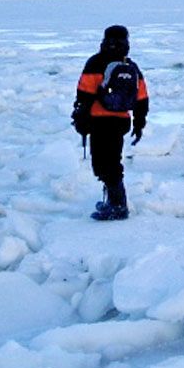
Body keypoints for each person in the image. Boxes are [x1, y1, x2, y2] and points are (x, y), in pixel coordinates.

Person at [71, 25, 149, 221]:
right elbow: (142, 98)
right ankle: (114, 202)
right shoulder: (131, 66)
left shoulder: (95, 63)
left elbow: (84, 94)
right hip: (120, 122)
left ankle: (118, 206)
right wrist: (139, 123)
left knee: (104, 164)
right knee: (111, 161)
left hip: (99, 122)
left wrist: (80, 117)